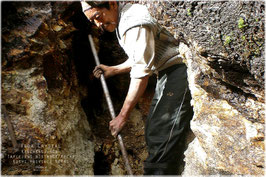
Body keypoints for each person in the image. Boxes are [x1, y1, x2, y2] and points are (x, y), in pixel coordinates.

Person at [81, 0, 193, 175]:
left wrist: (122, 116)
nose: (98, 23)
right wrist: (114, 69)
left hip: (180, 69)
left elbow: (141, 72)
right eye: (93, 21)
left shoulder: (133, 22)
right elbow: (140, 56)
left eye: (98, 16)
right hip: (167, 71)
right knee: (152, 130)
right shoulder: (123, 20)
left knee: (161, 132)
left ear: (111, 4)